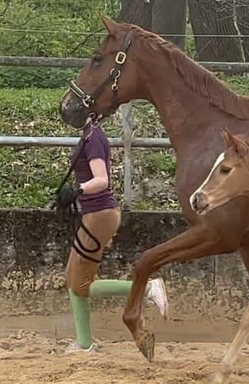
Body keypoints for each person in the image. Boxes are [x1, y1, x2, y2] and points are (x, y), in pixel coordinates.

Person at [55, 117, 169, 353]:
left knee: (80, 283)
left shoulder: (94, 137)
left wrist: (78, 190)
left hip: (100, 214)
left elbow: (102, 180)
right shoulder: (90, 134)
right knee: (73, 276)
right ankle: (84, 343)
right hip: (95, 213)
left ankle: (147, 288)